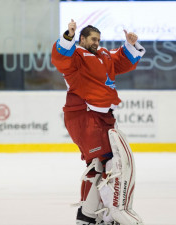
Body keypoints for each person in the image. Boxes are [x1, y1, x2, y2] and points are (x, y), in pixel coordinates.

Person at [51, 19, 146, 225]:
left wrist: (129, 45)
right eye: (92, 39)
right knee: (107, 162)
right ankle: (93, 215)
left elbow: (121, 61)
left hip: (103, 116)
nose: (96, 43)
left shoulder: (103, 55)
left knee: (101, 165)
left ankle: (92, 216)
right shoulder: (75, 55)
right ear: (82, 39)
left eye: (98, 40)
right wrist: (68, 36)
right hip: (85, 114)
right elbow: (59, 58)